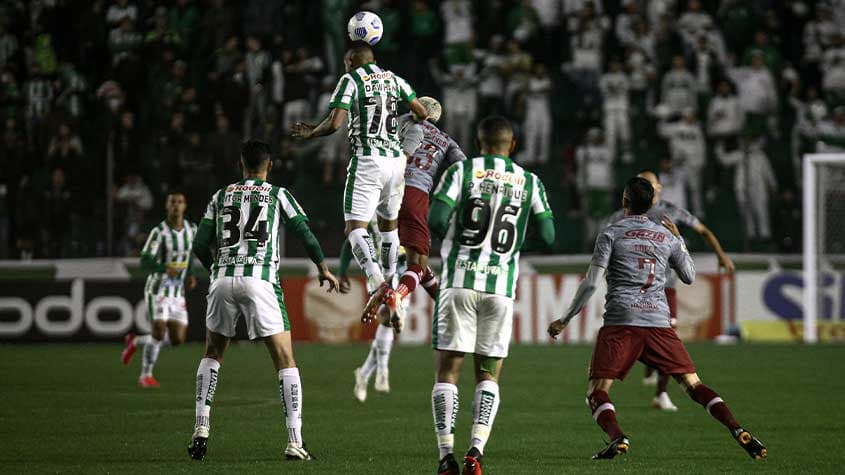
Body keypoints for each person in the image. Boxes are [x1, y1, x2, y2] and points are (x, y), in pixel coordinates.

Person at [548, 177, 766, 461]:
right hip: (658, 322)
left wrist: (565, 319)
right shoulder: (666, 236)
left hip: (621, 322)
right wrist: (680, 241)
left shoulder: (611, 233)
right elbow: (688, 276)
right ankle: (736, 428)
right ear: (652, 204)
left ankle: (617, 436)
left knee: (596, 392)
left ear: (624, 202)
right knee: (693, 384)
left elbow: (591, 283)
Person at [186, 139, 339, 461]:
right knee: (285, 360)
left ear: (241, 165)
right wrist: (323, 267)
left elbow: (200, 244)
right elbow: (305, 233)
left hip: (223, 279)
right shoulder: (278, 194)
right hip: (260, 280)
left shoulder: (221, 195)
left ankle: (201, 427)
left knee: (213, 353)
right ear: (270, 166)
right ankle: (294, 440)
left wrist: (216, 268)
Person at [429, 116, 555, 475]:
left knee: (447, 373)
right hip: (500, 289)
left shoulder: (462, 172)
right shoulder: (530, 181)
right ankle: (476, 452)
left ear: (478, 141)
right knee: (488, 375)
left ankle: (445, 455)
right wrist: (511, 247)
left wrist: (459, 239)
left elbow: (436, 218)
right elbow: (547, 236)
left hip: (459, 284)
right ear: (512, 145)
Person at [291, 42, 428, 330]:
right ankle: (392, 285)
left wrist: (312, 132)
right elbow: (421, 111)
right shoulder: (394, 78)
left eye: (345, 63)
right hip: (395, 162)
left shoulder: (350, 80)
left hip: (368, 160)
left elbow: (335, 123)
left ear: (351, 61)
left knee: (354, 229)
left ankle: (379, 285)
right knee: (389, 227)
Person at [343, 96, 467, 401]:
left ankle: (386, 287)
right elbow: (463, 168)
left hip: (380, 184)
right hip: (415, 193)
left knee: (364, 230)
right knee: (418, 263)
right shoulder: (446, 140)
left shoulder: (397, 122)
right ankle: (397, 293)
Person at [609, 171, 735, 411]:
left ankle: (661, 393)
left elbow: (704, 230)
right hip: (633, 287)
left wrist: (721, 255)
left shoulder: (672, 211)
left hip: (664, 286)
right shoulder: (620, 216)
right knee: (642, 335)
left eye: (651, 183)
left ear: (659, 187)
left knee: (667, 334)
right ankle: (634, 371)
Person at [121, 191, 197, 388]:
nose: (176, 206)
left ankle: (136, 342)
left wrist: (189, 274)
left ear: (185, 206)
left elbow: (189, 257)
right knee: (158, 331)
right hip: (158, 288)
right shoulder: (159, 232)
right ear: (166, 206)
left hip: (177, 292)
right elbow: (145, 259)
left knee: (178, 339)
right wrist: (164, 268)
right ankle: (145, 375)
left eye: (180, 202)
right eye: (172, 202)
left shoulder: (192, 229)